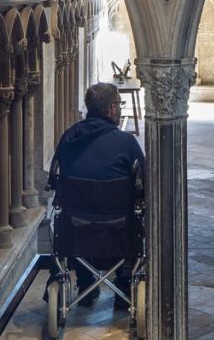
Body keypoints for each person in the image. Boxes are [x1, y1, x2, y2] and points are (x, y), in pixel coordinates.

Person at [48, 82, 145, 307]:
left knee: (74, 215)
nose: (120, 109)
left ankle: (85, 283)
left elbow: (55, 178)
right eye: (119, 105)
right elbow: (146, 178)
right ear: (112, 108)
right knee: (136, 214)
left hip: (77, 234)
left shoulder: (69, 137)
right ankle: (123, 284)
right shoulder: (126, 142)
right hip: (119, 232)